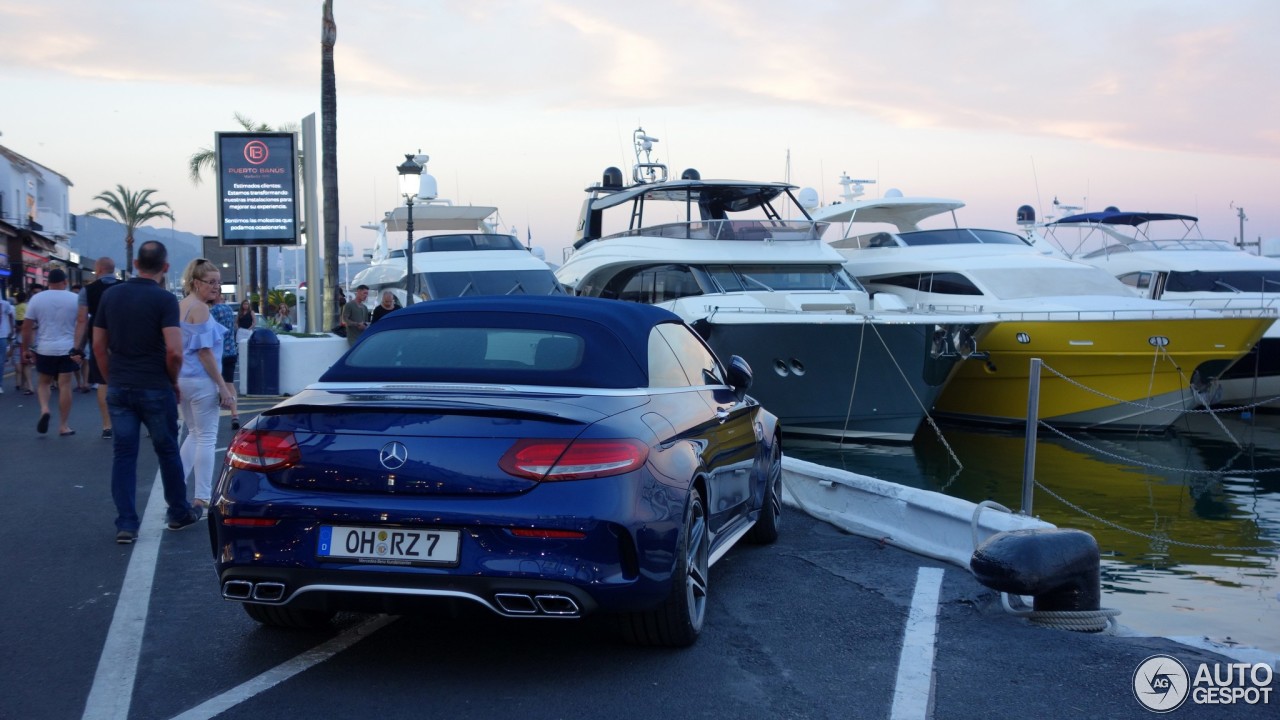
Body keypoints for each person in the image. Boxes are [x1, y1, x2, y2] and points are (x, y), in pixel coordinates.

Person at [93, 240, 202, 544]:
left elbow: (99, 346)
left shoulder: (110, 296)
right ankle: (178, 513)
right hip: (154, 386)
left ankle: (126, 524)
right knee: (167, 451)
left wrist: (110, 377)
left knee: (123, 455)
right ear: (165, 268)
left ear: (136, 264)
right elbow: (174, 351)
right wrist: (173, 381)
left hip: (120, 387)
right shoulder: (164, 300)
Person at [176, 259, 235, 511]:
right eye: (211, 282)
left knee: (193, 434)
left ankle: (177, 484)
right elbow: (205, 353)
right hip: (201, 381)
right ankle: (201, 496)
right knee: (207, 438)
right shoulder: (200, 309)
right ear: (195, 283)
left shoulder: (180, 306)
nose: (216, 287)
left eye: (219, 282)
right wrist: (223, 387)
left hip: (183, 379)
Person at [23, 270, 79, 436]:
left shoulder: (37, 298)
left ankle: (45, 409)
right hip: (67, 347)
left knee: (44, 383)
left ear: (48, 282)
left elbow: (27, 327)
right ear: (65, 281)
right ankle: (63, 425)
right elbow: (84, 323)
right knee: (65, 386)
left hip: (45, 348)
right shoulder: (75, 299)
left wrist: (27, 348)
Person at [74, 256, 120, 439]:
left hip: (99, 340)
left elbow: (82, 320)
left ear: (99, 270)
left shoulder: (88, 290)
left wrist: (77, 347)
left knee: (103, 382)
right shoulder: (124, 287)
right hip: (124, 340)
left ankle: (107, 425)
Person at [209, 293, 241, 429]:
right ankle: (234, 414)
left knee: (214, 384)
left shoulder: (212, 311)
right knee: (229, 383)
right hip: (231, 351)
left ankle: (211, 418)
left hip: (218, 352)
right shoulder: (228, 309)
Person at [0, 294, 14, 394]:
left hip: (2, 335)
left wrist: (11, 329)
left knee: (1, 361)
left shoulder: (5, 304)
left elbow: (10, 316)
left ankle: (0, 385)